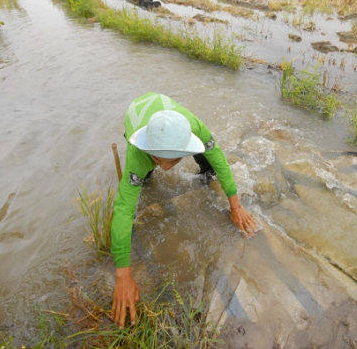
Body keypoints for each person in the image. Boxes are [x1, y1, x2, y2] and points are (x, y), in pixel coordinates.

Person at [110, 92, 258, 328]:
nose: (167, 168)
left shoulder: (196, 128)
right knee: (143, 181)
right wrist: (123, 274)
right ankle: (148, 173)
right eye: (159, 161)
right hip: (137, 114)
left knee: (209, 165)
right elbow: (123, 209)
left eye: (175, 160)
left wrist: (236, 206)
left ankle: (199, 172)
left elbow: (219, 158)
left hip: (174, 123)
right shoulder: (138, 151)